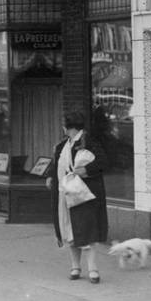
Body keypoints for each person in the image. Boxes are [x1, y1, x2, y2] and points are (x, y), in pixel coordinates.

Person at [49, 110, 108, 284]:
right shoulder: (62, 145)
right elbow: (56, 165)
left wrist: (86, 170)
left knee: (85, 229)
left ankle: (93, 269)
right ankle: (75, 267)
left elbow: (103, 162)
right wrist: (51, 177)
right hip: (65, 192)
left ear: (69, 127)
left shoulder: (88, 142)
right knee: (69, 230)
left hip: (83, 194)